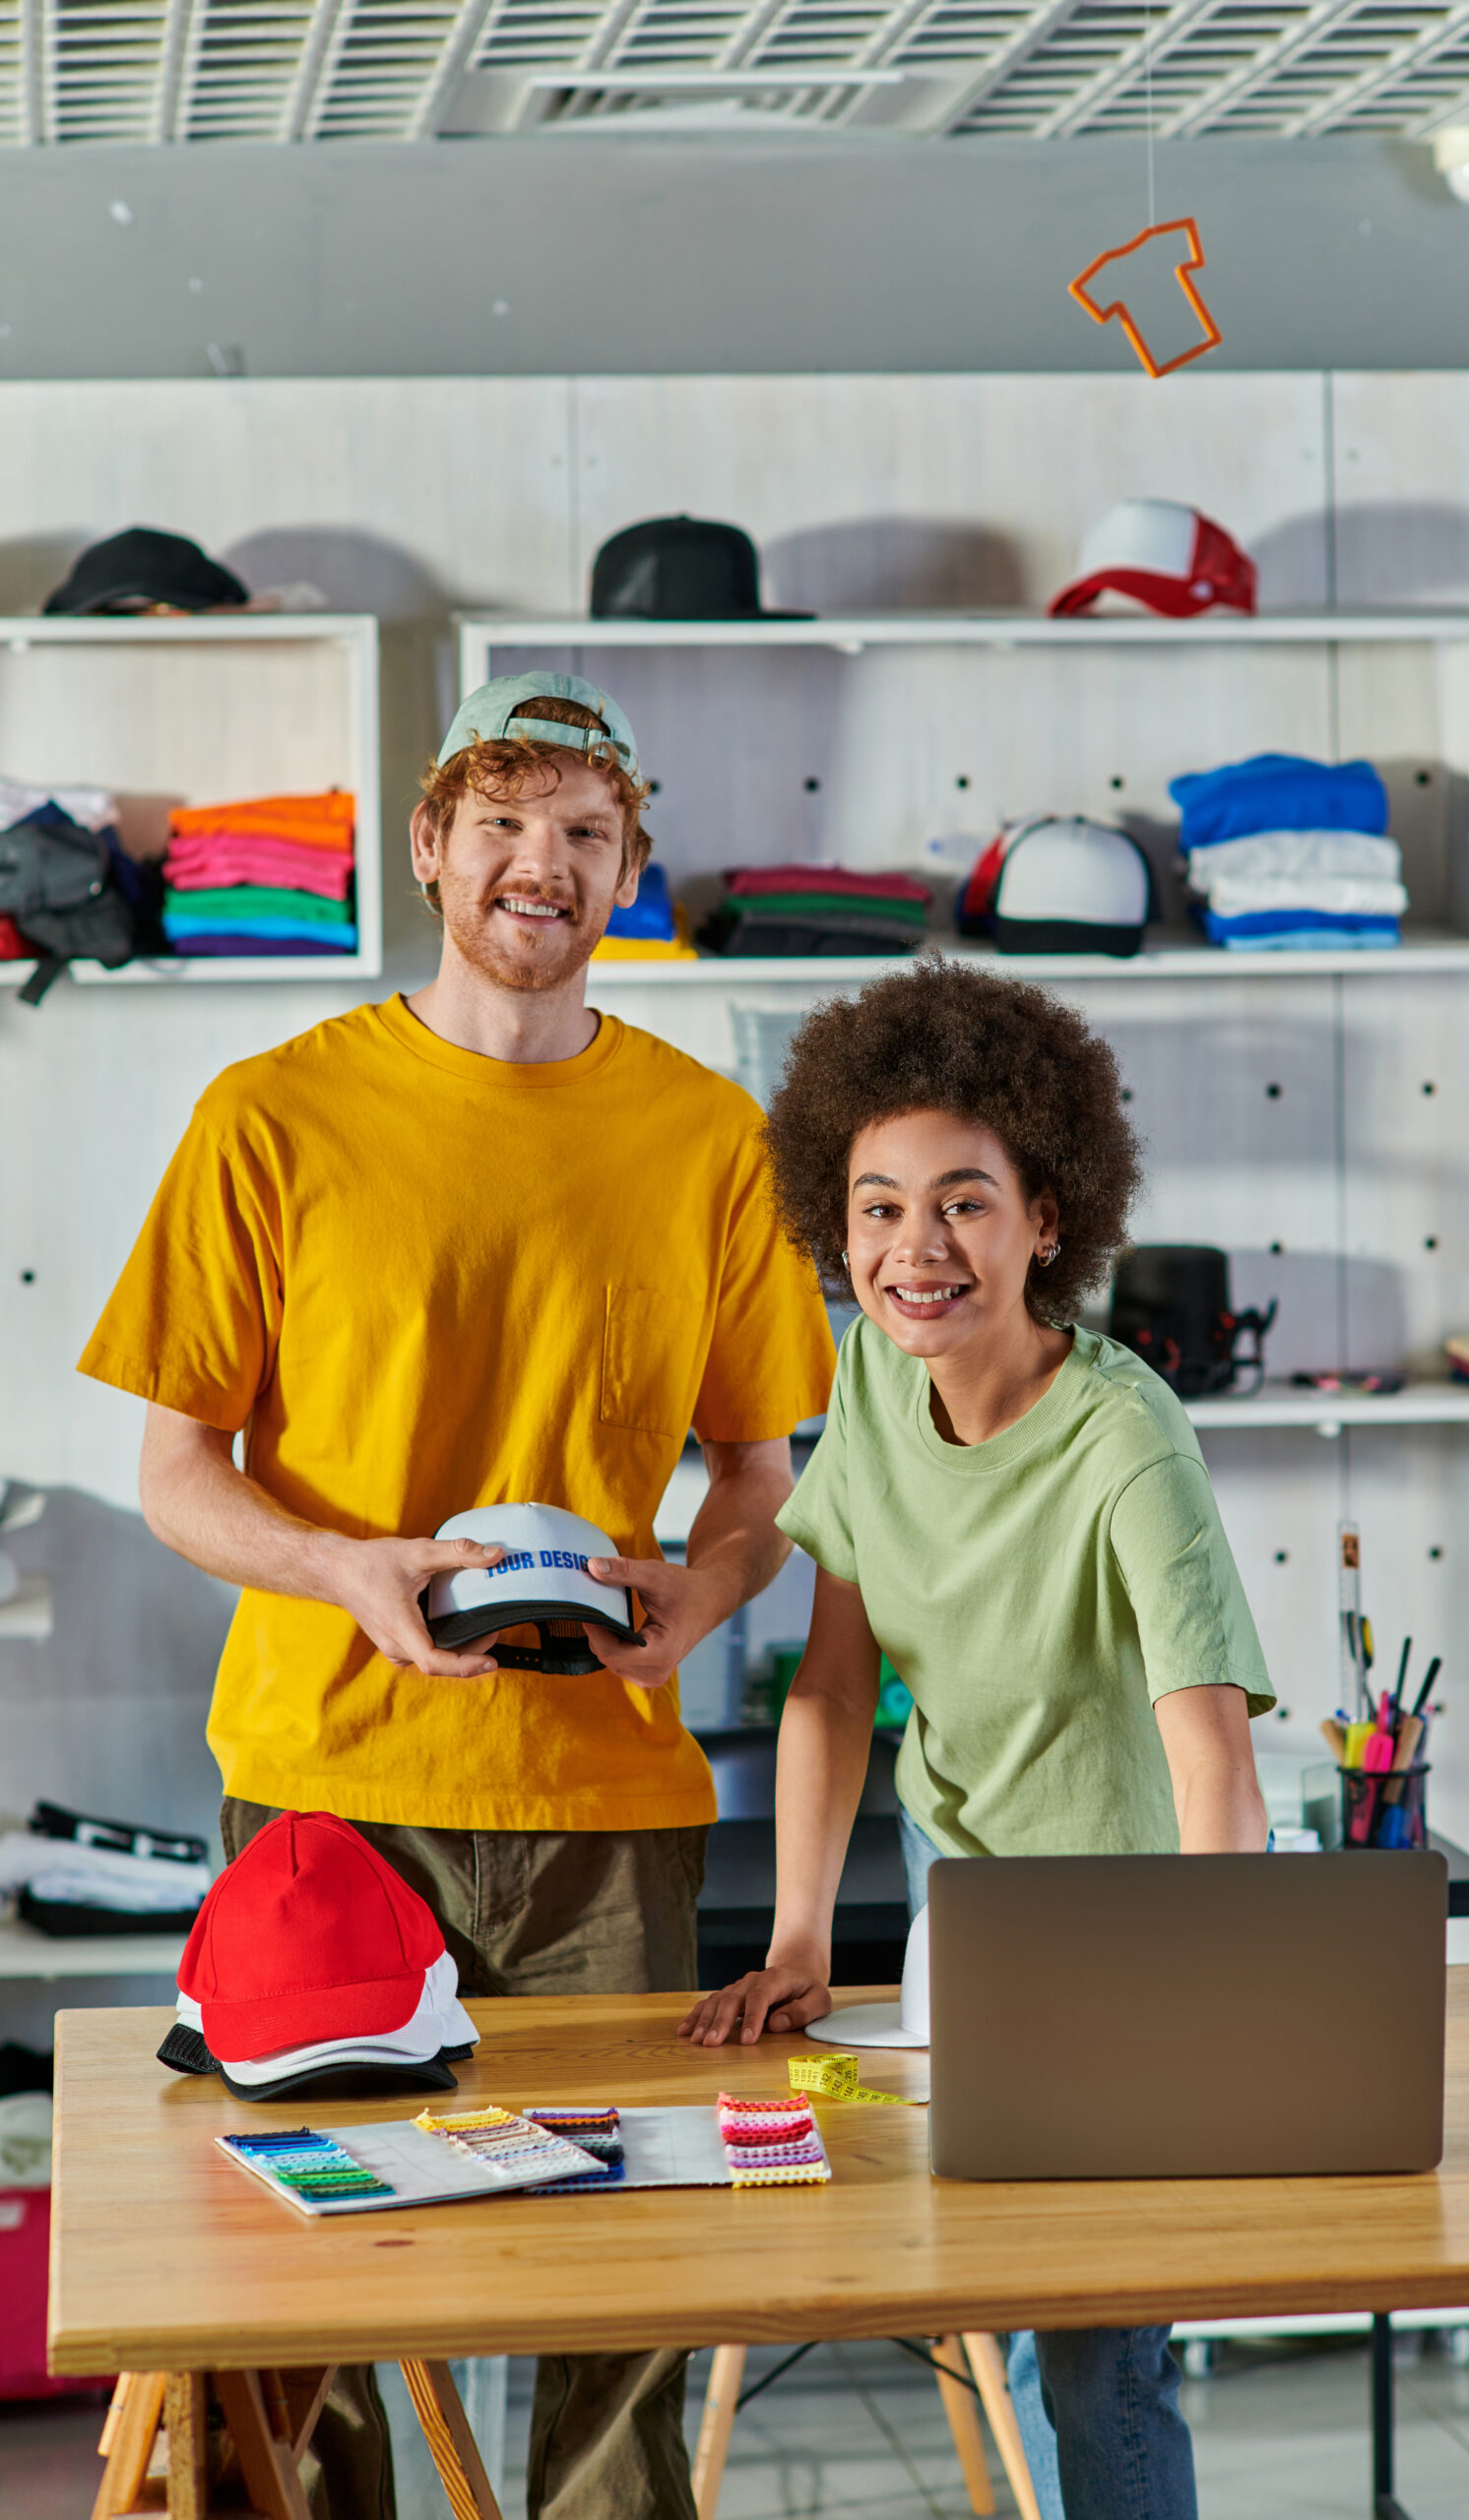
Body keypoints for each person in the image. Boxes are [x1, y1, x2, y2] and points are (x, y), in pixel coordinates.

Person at [79, 673, 835, 2520]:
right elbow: (177, 1468)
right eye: (502, 820)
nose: (541, 862)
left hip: (609, 1810)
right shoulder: (273, 1115)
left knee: (629, 2292)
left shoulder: (712, 1138)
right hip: (331, 1784)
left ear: (630, 869)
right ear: (429, 846)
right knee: (314, 2309)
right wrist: (340, 1566)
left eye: (586, 831)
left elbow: (759, 1475)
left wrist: (702, 1591)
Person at [679, 958, 1274, 2520]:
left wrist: (1207, 2017)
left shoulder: (1126, 1438)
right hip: (969, 1911)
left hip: (1131, 1929)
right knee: (1012, 2312)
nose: (913, 1249)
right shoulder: (876, 1375)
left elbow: (1213, 1752)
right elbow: (830, 1680)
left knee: (1100, 2357)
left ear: (1046, 1218)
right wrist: (803, 1934)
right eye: (877, 1207)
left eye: (961, 1202)